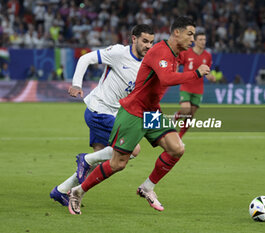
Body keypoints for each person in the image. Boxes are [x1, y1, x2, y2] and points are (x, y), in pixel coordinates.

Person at [67, 16, 210, 215]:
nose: (192, 39)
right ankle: (77, 192)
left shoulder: (176, 55)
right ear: (176, 32)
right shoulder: (159, 51)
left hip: (151, 113)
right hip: (134, 112)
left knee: (177, 148)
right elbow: (167, 79)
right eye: (190, 34)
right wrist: (196, 73)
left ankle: (147, 187)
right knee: (118, 163)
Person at [49, 24, 154, 207]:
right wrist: (77, 84)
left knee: (100, 160)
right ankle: (84, 159)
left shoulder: (146, 65)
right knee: (133, 149)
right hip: (99, 110)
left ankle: (60, 191)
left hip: (113, 114)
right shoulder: (118, 52)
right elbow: (85, 58)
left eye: (151, 43)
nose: (148, 46)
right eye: (145, 41)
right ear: (134, 38)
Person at [174, 31, 215, 138]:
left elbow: (207, 71)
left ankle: (179, 137)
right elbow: (178, 62)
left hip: (198, 89)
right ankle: (176, 117)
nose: (203, 42)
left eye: (204, 39)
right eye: (200, 39)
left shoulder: (207, 56)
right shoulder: (187, 52)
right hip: (186, 86)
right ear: (195, 41)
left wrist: (210, 76)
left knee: (190, 115)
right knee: (185, 109)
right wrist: (176, 70)